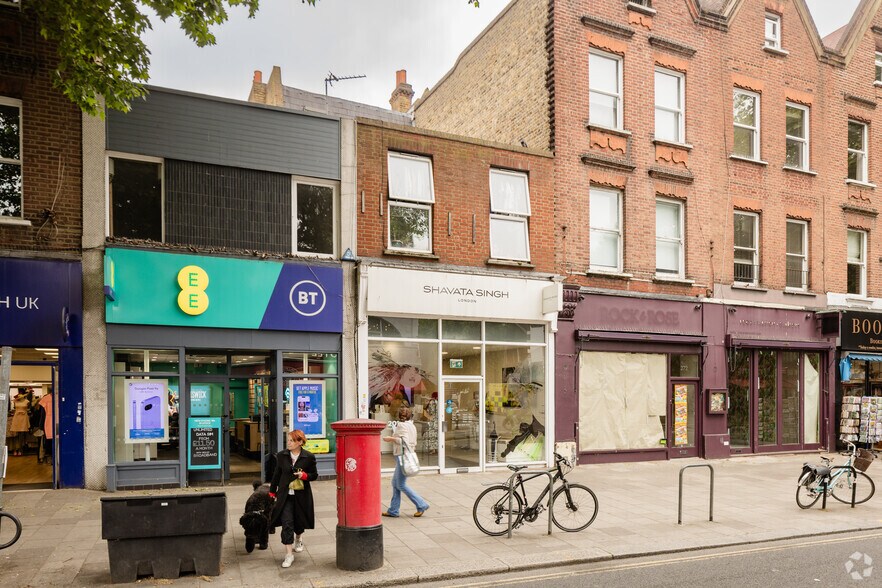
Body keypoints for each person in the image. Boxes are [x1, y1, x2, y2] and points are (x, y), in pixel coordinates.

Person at [268, 430, 318, 568]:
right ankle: (289, 555)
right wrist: (272, 492)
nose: (288, 443)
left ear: (300, 442)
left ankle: (299, 538)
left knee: (299, 522)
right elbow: (276, 475)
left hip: (302, 496)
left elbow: (314, 475)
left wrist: (304, 476)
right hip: (285, 495)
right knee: (287, 523)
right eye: (288, 440)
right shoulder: (282, 455)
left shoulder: (309, 457)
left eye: (291, 440)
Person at [382, 406, 430, 518]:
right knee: (395, 483)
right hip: (406, 455)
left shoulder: (401, 425)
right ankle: (393, 510)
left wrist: (390, 439)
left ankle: (421, 504)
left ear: (399, 416)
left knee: (400, 484)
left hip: (402, 457)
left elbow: (404, 441)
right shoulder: (412, 425)